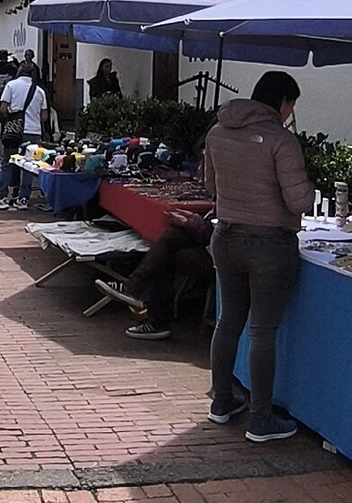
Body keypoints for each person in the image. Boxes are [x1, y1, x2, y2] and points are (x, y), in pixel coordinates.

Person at [203, 71, 314, 443]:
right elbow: (298, 201)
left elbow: (210, 186)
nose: (290, 112)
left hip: (226, 236)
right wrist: (309, 190)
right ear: (282, 101)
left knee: (229, 320)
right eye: (291, 105)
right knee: (262, 331)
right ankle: (260, 419)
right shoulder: (282, 141)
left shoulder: (217, 132)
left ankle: (221, 400)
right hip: (270, 245)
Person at [94, 209, 214, 340]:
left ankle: (135, 290)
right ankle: (137, 293)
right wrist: (193, 219)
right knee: (166, 246)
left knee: (166, 248)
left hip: (224, 260)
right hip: (215, 247)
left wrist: (190, 222)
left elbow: (214, 232)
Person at [0, 62, 48, 211]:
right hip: (34, 132)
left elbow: (3, 108)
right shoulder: (39, 91)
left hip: (14, 131)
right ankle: (23, 199)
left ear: (19, 72)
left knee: (7, 163)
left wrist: (12, 117)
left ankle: (2, 197)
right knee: (28, 166)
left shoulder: (11, 86)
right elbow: (44, 116)